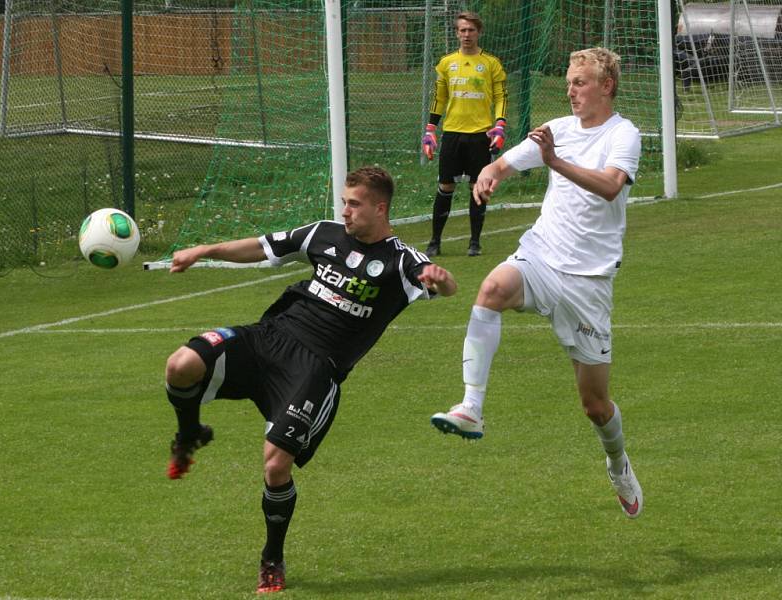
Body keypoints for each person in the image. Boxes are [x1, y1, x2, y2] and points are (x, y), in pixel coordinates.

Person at [163, 166, 457, 593]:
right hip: (269, 338)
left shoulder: (401, 260)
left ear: (380, 207)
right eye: (344, 203)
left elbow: (439, 285)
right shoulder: (323, 234)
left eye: (354, 204)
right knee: (181, 364)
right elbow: (263, 247)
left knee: (275, 465)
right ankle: (190, 433)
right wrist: (204, 250)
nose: (346, 212)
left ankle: (272, 557)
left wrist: (442, 281)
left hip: (314, 370)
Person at [430, 48, 644, 519]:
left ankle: (618, 464)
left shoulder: (623, 134)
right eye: (569, 81)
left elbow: (611, 186)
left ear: (606, 86)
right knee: (491, 290)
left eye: (581, 82)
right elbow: (506, 163)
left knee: (594, 404)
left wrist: (555, 162)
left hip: (588, 281)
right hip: (542, 255)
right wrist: (488, 173)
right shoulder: (557, 130)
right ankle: (471, 407)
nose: (571, 91)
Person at [421, 10, 507, 258]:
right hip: (452, 134)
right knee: (445, 186)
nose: (466, 34)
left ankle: (474, 242)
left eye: (471, 30)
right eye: (462, 30)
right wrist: (430, 129)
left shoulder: (491, 63)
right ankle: (435, 241)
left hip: (480, 134)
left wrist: (500, 125)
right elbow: (440, 98)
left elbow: (502, 97)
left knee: (476, 187)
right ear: (457, 33)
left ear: (479, 32)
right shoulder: (447, 63)